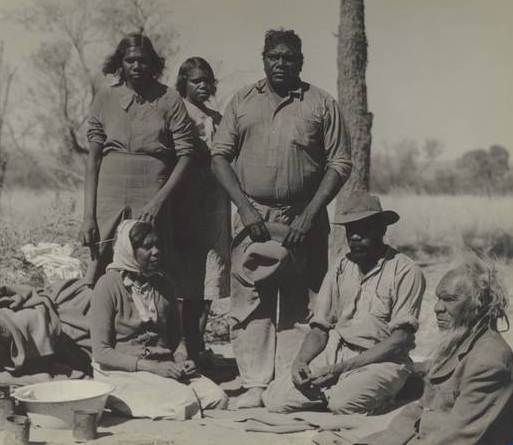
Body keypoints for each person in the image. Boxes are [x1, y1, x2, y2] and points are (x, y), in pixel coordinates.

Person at [211, 28, 352, 408]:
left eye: (288, 57)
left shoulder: (321, 103)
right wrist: (243, 208)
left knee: (302, 300)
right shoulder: (241, 101)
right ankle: (255, 383)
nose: (280, 63)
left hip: (302, 217)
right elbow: (219, 156)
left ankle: (291, 379)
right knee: (250, 299)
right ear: (263, 59)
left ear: (300, 62)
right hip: (252, 216)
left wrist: (309, 214)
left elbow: (340, 162)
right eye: (274, 56)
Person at [263, 191, 426, 415]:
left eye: (363, 230)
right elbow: (320, 327)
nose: (355, 238)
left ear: (382, 230)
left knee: (342, 403)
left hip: (382, 360)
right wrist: (301, 361)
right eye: (351, 231)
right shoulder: (341, 265)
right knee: (276, 400)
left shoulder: (405, 270)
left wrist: (342, 370)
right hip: (337, 353)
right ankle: (341, 391)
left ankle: (397, 385)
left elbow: (400, 339)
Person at [363, 250, 513, 445]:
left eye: (450, 299)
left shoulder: (489, 360)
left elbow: (458, 436)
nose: (437, 307)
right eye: (438, 298)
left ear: (478, 305)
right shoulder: (457, 345)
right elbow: (420, 409)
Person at [80, 33, 193, 286]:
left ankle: (152, 322)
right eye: (130, 60)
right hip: (110, 191)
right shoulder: (105, 98)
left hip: (153, 188)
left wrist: (158, 201)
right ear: (121, 62)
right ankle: (102, 321)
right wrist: (88, 215)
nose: (136, 66)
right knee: (102, 263)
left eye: (143, 60)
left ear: (153, 63)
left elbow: (186, 155)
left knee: (151, 261)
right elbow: (93, 160)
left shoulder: (169, 99)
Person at [89, 219, 228, 420]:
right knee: (184, 402)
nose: (156, 252)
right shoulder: (107, 285)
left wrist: (182, 359)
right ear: (129, 250)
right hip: (121, 372)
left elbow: (177, 339)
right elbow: (101, 353)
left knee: (217, 398)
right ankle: (116, 398)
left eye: (157, 245)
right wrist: (152, 367)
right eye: (147, 247)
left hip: (163, 368)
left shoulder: (163, 285)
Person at [172, 57, 231, 366]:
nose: (203, 86)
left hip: (215, 201)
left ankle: (198, 344)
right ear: (184, 82)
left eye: (207, 80)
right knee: (184, 278)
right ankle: (181, 345)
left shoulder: (218, 117)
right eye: (196, 80)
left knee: (209, 276)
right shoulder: (175, 111)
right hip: (185, 199)